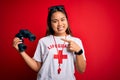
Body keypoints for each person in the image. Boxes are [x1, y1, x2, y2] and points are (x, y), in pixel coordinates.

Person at [13, 5, 86, 80]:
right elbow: (37, 67)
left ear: (67, 20)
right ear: (50, 23)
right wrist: (21, 52)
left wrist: (79, 51)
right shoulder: (43, 41)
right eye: (55, 21)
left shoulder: (76, 41)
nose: (60, 24)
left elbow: (81, 70)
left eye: (62, 19)